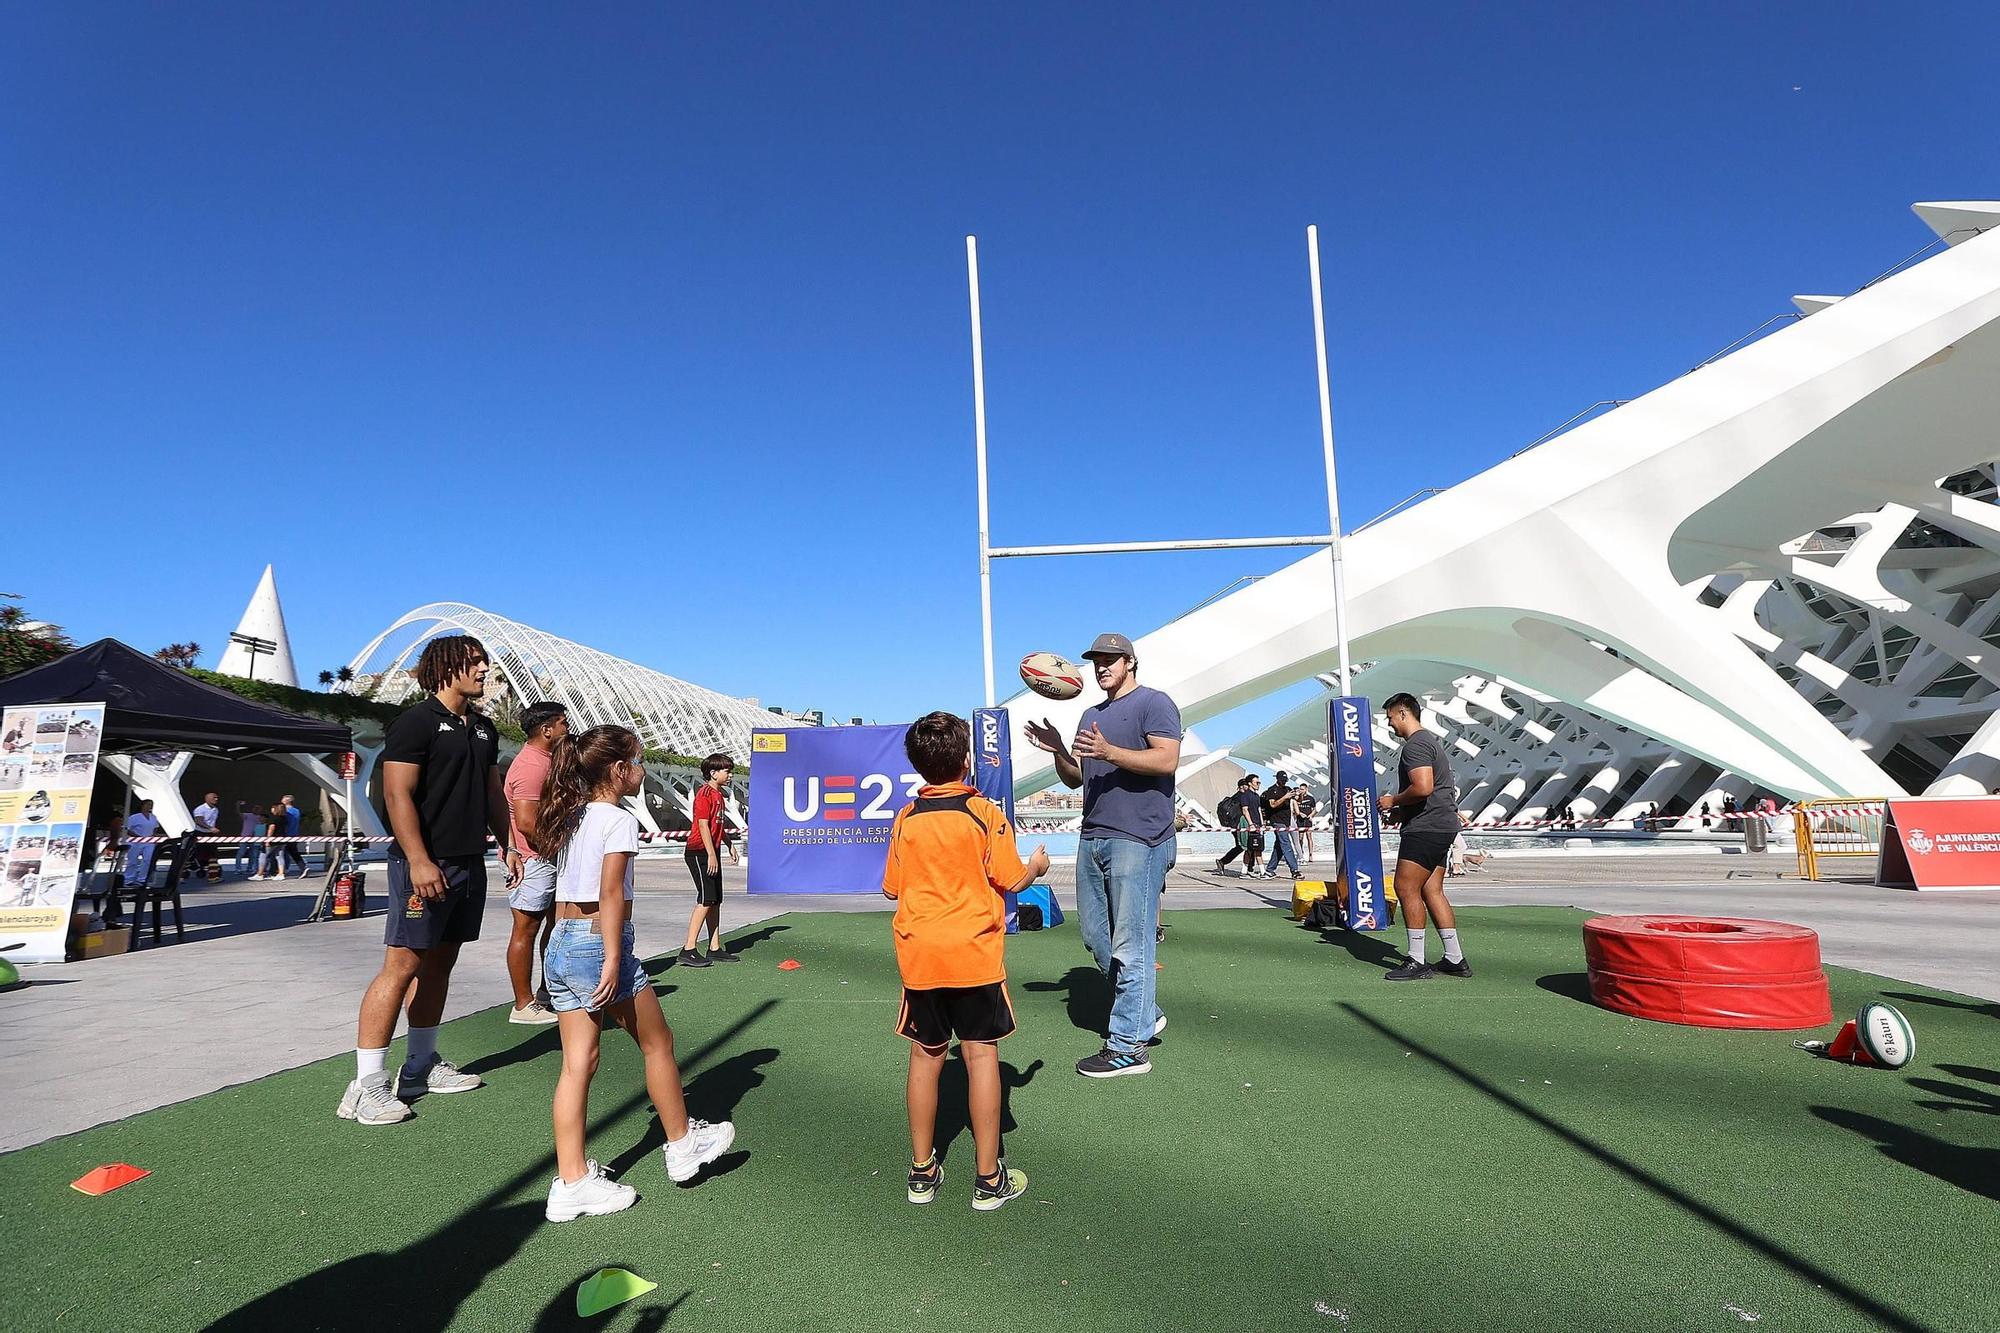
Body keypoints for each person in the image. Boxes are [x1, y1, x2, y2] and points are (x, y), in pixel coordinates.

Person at [536, 724, 735, 1220]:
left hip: (561, 942)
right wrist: (611, 957)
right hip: (596, 943)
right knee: (657, 1042)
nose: (643, 771)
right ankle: (682, 1144)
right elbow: (609, 893)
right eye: (638, 762)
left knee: (577, 1063)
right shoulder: (617, 820)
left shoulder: (572, 814)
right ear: (619, 770)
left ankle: (571, 1179)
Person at [337, 635, 516, 1126]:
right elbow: (397, 795)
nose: (484, 669)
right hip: (424, 864)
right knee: (402, 965)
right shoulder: (415, 722)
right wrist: (418, 859)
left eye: (484, 661)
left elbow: (491, 792)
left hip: (467, 863)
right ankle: (367, 1083)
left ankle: (420, 1066)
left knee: (440, 965)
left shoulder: (482, 729)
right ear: (447, 666)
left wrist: (508, 843)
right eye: (475, 662)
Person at [883, 711, 1050, 1211]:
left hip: (921, 956)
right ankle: (987, 1178)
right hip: (974, 954)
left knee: (924, 1057)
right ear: (967, 760)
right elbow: (1013, 879)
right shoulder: (985, 814)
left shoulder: (906, 818)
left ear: (916, 764)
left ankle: (921, 1172)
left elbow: (893, 887)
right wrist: (1038, 866)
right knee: (981, 1057)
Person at [1025, 631, 1180, 1079]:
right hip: (1093, 835)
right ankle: (1143, 1010)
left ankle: (1130, 1047)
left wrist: (1111, 750)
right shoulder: (1090, 713)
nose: (1101, 667)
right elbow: (1077, 778)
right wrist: (1059, 750)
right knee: (1097, 940)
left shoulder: (1155, 703)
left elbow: (1166, 760)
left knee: (1132, 946)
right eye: (1096, 660)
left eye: (1110, 659)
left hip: (1140, 838)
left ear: (1130, 662)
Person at [1376, 693, 1472, 981]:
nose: (1390, 725)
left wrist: (1392, 801)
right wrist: (1401, 809)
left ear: (1403, 713)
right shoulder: (1430, 741)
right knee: (1432, 890)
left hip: (1426, 827)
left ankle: (1416, 960)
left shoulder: (1414, 746)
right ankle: (1454, 958)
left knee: (1405, 887)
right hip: (1442, 825)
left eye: (1390, 718)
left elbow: (1423, 787)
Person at [503, 701, 568, 1024]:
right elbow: (527, 823)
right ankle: (523, 1003)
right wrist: (561, 850)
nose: (566, 729)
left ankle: (546, 992)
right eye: (562, 724)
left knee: (555, 928)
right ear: (546, 730)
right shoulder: (531, 766)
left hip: (546, 858)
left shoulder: (546, 761)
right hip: (535, 861)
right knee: (526, 930)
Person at [677, 753, 740, 968]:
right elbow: (703, 825)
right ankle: (688, 949)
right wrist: (712, 854)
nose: (730, 774)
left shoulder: (718, 796)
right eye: (726, 771)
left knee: (715, 900)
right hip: (698, 852)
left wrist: (729, 843)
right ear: (713, 773)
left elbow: (717, 826)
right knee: (705, 899)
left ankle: (714, 947)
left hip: (710, 852)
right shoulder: (704, 795)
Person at [1261, 770, 1303, 879]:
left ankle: (1270, 870)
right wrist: (1285, 797)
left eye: (1285, 781)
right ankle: (1295, 870)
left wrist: (1300, 794)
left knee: (1279, 846)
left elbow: (1298, 801)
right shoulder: (1272, 790)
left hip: (1287, 820)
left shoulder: (1287, 789)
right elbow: (1273, 805)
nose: (1284, 783)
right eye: (1282, 781)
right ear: (1278, 779)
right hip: (1277, 821)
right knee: (1286, 843)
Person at [1211, 776, 1256, 874]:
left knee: (1244, 846)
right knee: (1247, 845)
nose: (1247, 786)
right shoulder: (1242, 797)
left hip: (1236, 826)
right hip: (1241, 825)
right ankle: (1248, 868)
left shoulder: (1236, 796)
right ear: (1241, 786)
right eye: (1246, 785)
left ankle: (1247, 867)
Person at [122, 800, 162, 894]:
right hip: (135, 842)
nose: (149, 806)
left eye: (151, 805)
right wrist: (137, 837)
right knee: (132, 860)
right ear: (142, 805)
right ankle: (128, 879)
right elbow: (127, 828)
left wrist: (153, 836)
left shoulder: (153, 817)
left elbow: (155, 827)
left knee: (148, 860)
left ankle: (142, 879)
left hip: (149, 842)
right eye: (148, 804)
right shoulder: (134, 817)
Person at [190, 791, 221, 880]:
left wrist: (212, 830)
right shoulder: (200, 809)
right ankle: (197, 868)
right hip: (201, 833)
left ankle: (213, 876)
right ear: (207, 799)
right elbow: (199, 821)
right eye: (214, 797)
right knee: (200, 854)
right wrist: (210, 828)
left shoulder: (215, 809)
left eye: (217, 798)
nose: (216, 799)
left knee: (213, 854)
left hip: (211, 834)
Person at [279, 794, 308, 878]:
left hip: (286, 834)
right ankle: (302, 867)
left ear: (287, 801)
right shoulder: (296, 811)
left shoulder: (286, 811)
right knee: (292, 851)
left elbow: (283, 822)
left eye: (283, 799)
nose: (281, 800)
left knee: (280, 852)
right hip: (294, 834)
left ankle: (279, 871)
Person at [235, 800, 262, 875]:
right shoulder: (247, 815)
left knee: (252, 854)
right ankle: (238, 868)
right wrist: (238, 806)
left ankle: (249, 868)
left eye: (258, 809)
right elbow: (238, 813)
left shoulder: (260, 818)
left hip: (254, 837)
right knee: (241, 852)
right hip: (245, 837)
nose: (256, 810)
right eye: (255, 808)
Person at [1294, 787, 1319, 862]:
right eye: (1300, 789)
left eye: (1302, 789)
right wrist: (1300, 814)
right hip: (1300, 820)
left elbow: (1315, 809)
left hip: (1308, 820)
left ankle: (1310, 855)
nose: (1301, 790)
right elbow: (1294, 809)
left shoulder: (1310, 798)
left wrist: (1311, 815)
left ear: (1306, 790)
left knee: (1309, 837)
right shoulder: (1297, 799)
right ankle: (1300, 854)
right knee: (1300, 838)